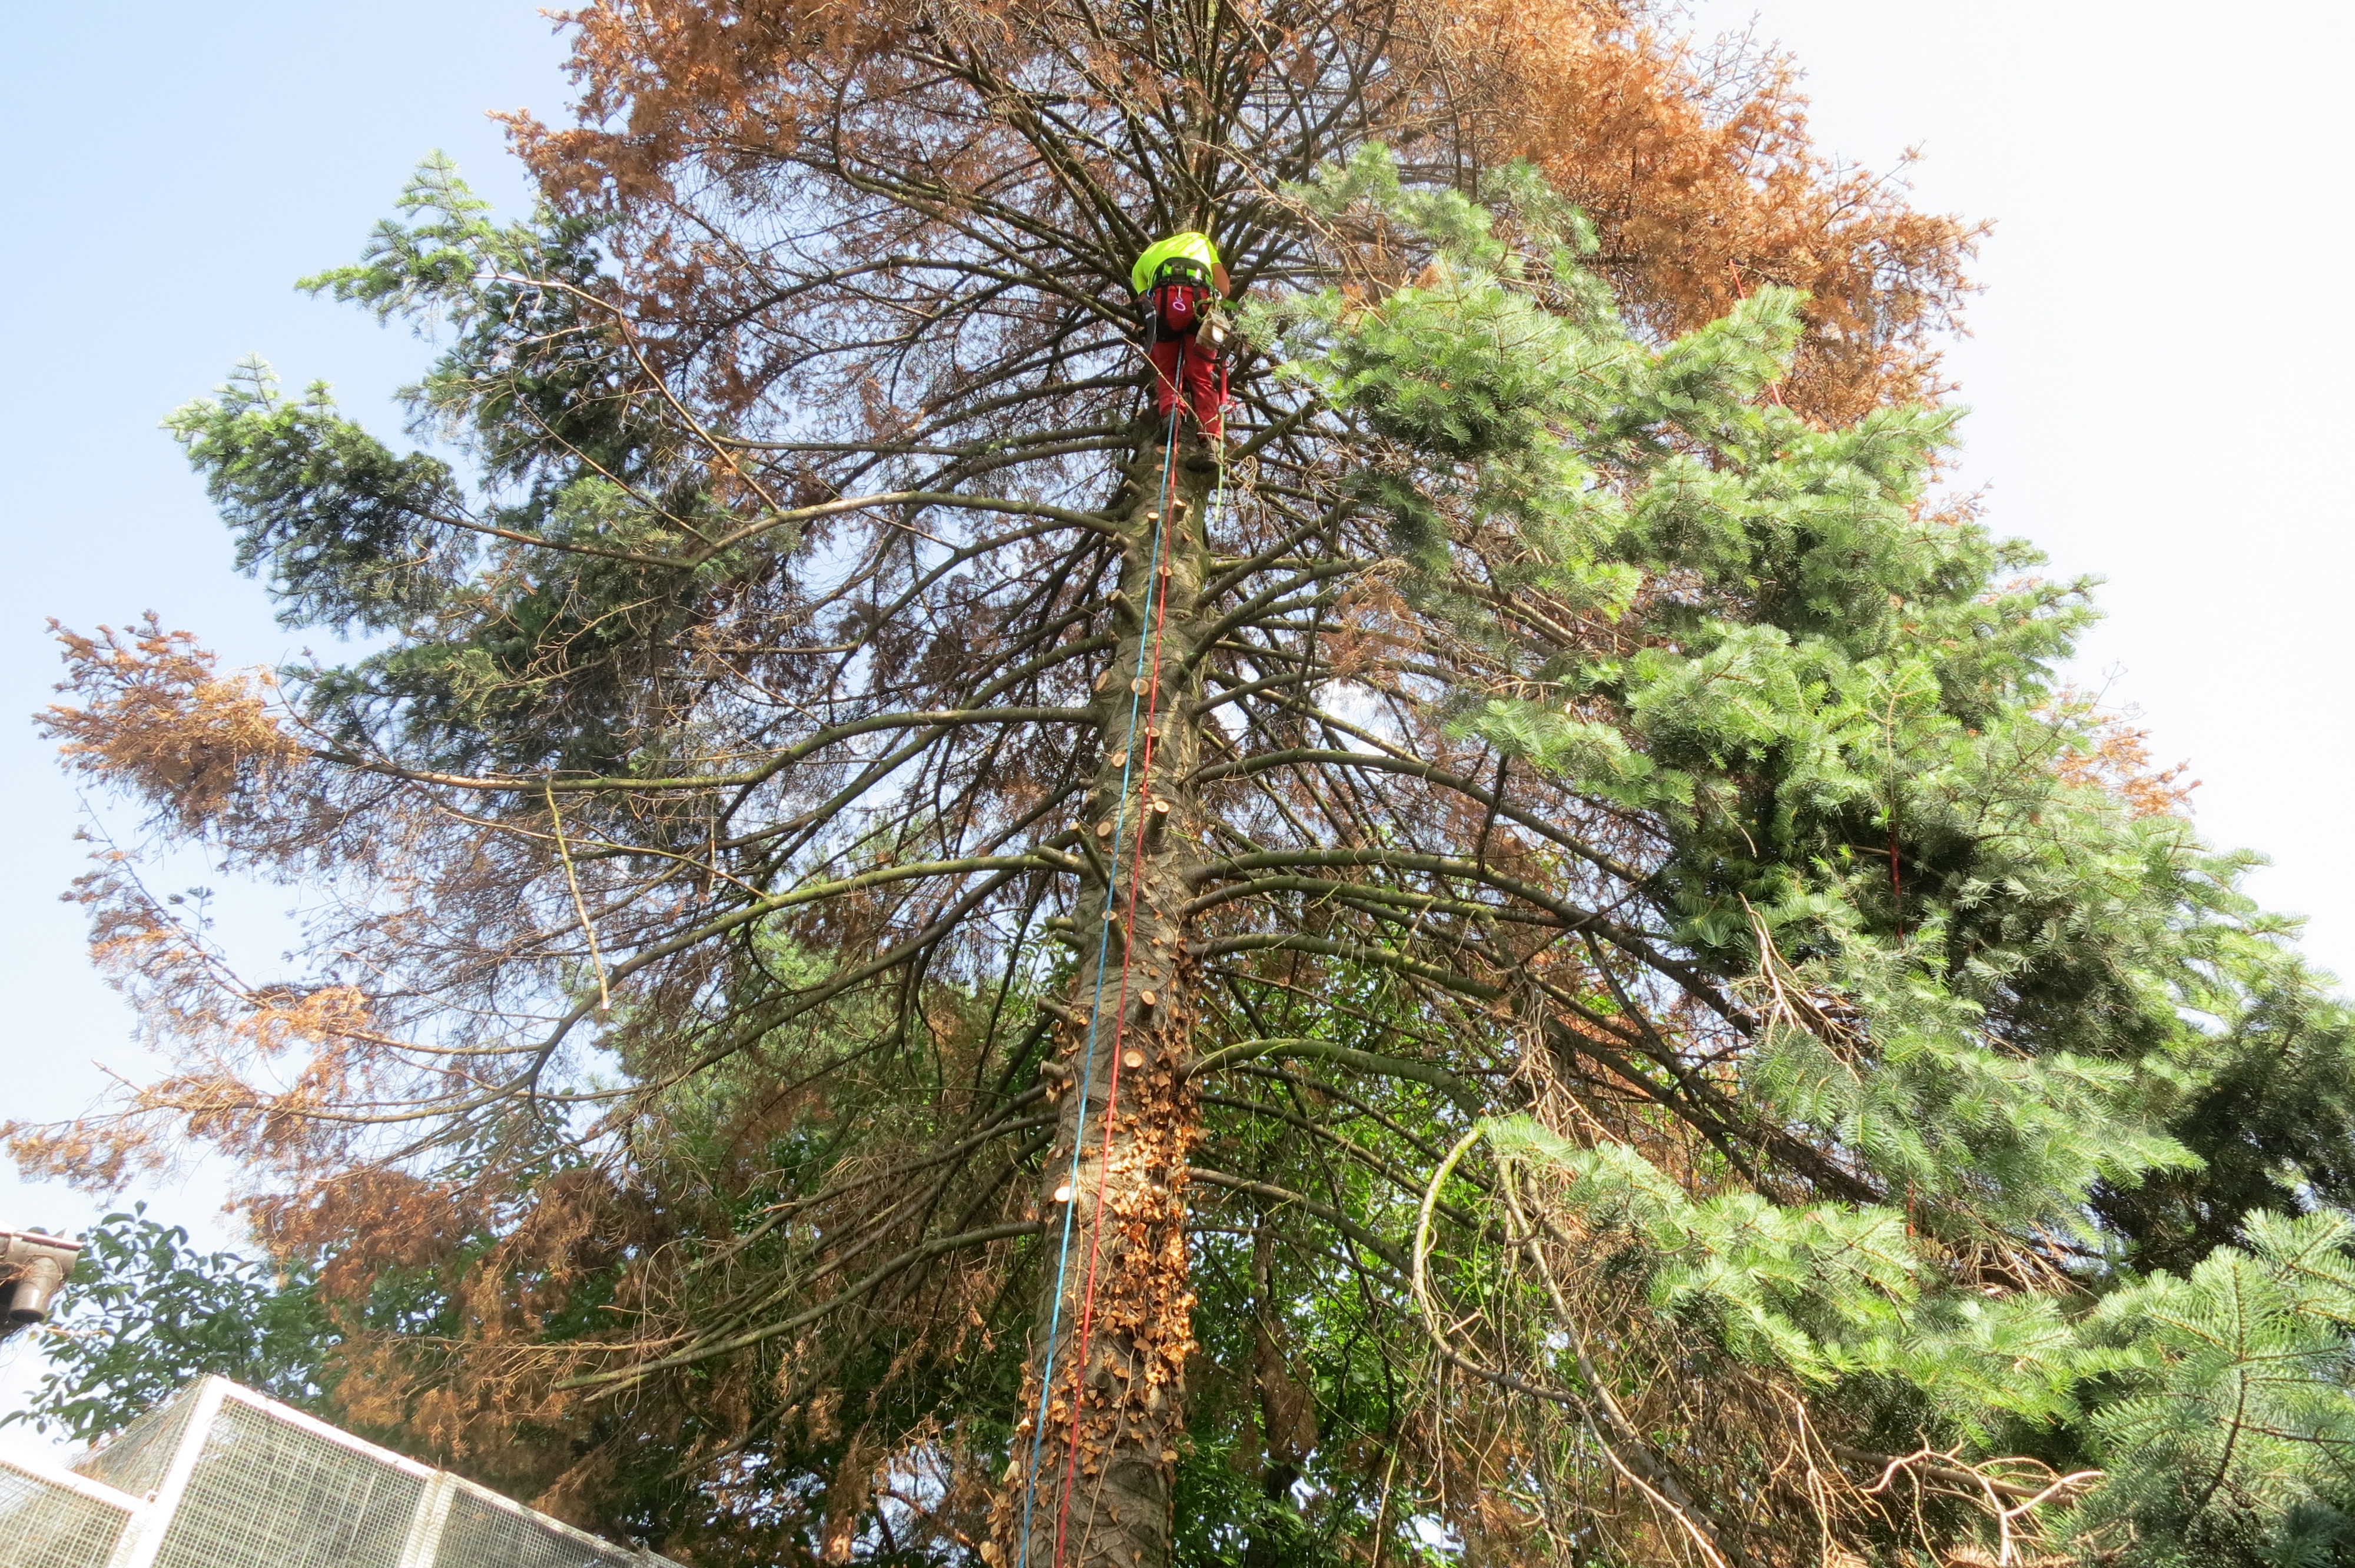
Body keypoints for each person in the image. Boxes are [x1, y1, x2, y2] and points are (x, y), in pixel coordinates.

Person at [1130, 231, 1230, 439]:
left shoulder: (1142, 260)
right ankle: (1211, 437)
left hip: (1164, 304)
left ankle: (1171, 412)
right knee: (1201, 375)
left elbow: (1144, 302)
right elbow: (1224, 288)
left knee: (1166, 370)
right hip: (1199, 300)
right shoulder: (1198, 239)